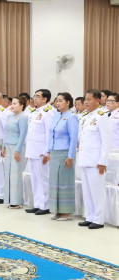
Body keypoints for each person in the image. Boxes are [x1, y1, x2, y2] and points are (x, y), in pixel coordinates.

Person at [78, 89, 111, 229]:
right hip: (85, 158)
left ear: (98, 101)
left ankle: (98, 219)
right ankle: (90, 215)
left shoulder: (102, 116)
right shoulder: (85, 116)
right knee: (87, 190)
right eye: (85, 99)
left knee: (97, 191)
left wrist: (103, 161)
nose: (86, 102)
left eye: (89, 99)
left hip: (96, 161)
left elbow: (106, 141)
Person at [47, 93, 79, 221]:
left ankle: (66, 212)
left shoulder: (72, 117)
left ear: (68, 102)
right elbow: (51, 135)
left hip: (65, 153)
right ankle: (57, 210)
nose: (57, 103)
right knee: (55, 181)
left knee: (65, 182)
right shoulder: (56, 116)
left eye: (60, 101)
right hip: (55, 152)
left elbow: (74, 138)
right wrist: (49, 151)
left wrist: (70, 156)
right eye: (56, 101)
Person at [25, 89, 55, 215]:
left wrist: (47, 151)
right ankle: (37, 204)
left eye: (38, 96)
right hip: (32, 150)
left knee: (43, 179)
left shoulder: (49, 112)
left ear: (45, 99)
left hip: (41, 151)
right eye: (34, 96)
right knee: (35, 179)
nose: (34, 98)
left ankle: (45, 205)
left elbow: (49, 134)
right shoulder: (35, 112)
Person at [2, 96, 28, 209]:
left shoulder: (23, 117)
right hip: (8, 146)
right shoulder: (10, 116)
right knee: (8, 173)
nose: (12, 105)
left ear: (22, 106)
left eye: (15, 104)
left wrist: (17, 150)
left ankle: (17, 201)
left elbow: (23, 135)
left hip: (17, 147)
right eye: (12, 103)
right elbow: (5, 132)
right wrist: (3, 146)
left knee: (15, 174)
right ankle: (9, 199)